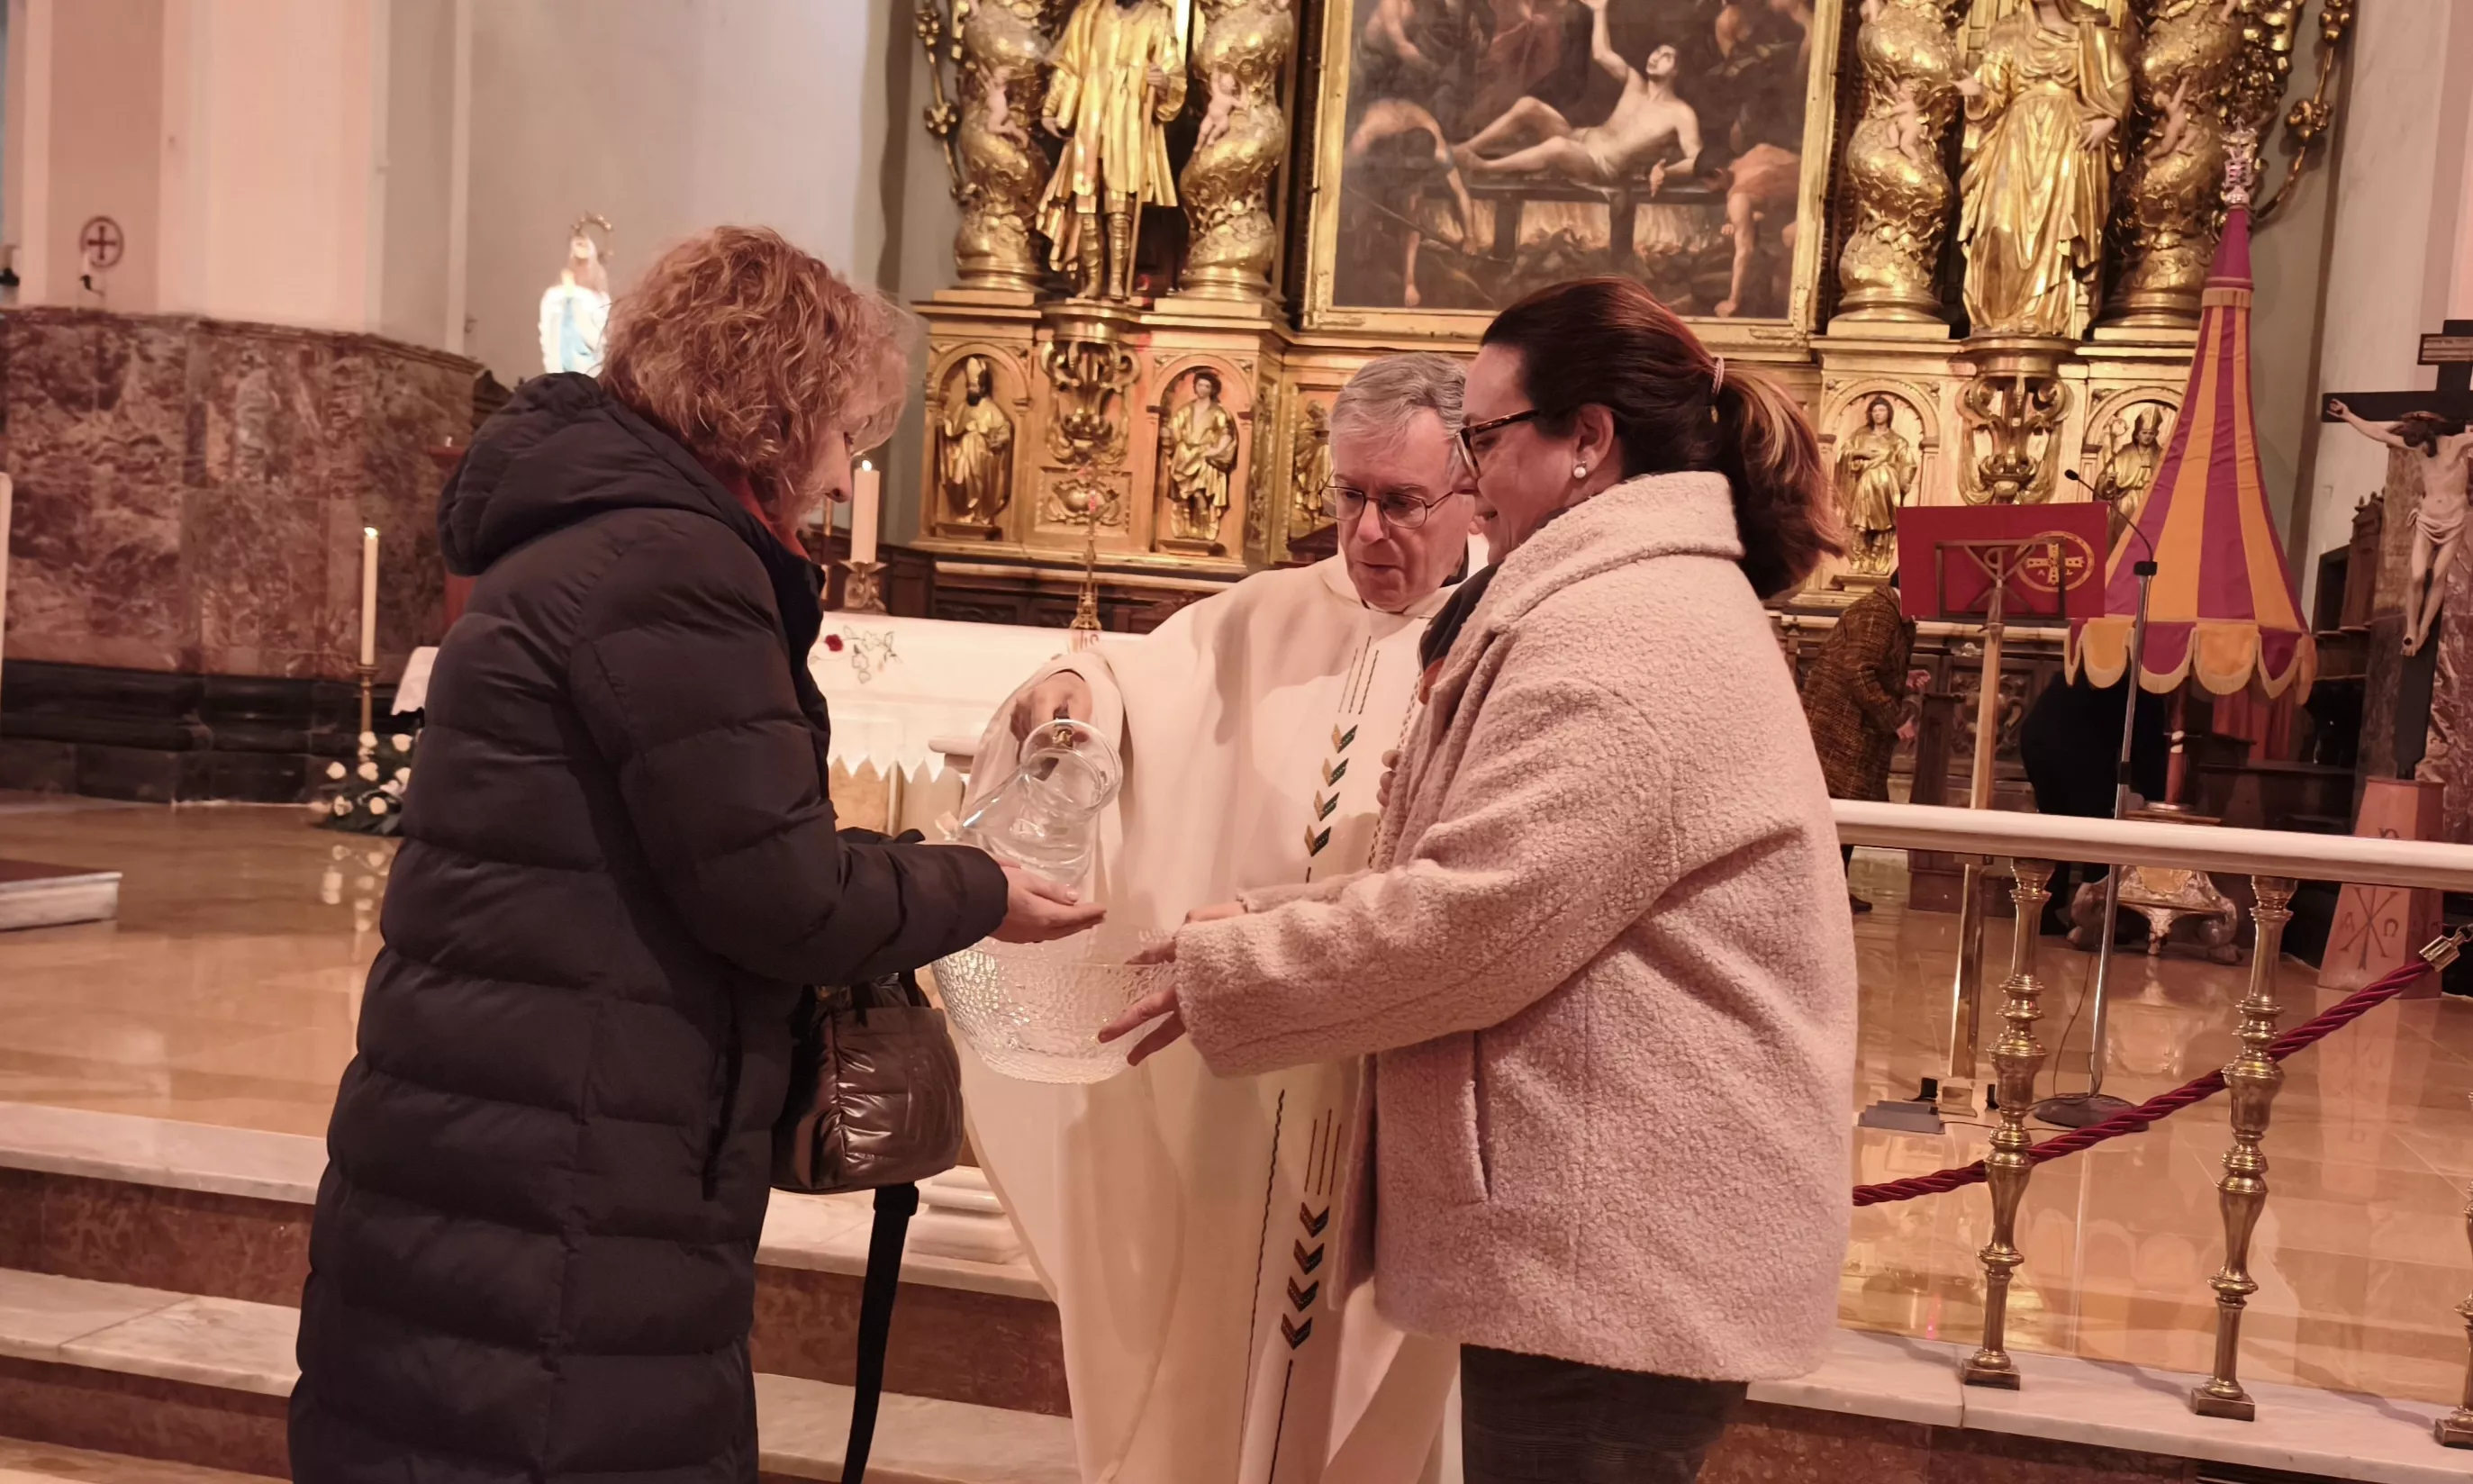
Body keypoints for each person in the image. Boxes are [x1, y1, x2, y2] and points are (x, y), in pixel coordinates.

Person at [289, 227, 1101, 1484]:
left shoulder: (584, 538)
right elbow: (780, 896)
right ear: (775, 408)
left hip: (505, 1124)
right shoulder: (673, 564)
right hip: (572, 1162)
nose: (843, 476)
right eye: (844, 432)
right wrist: (977, 888)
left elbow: (705, 840)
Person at [1104, 277, 1858, 1484]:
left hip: (1614, 1251)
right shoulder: (1619, 600)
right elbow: (1503, 882)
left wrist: (1235, 971)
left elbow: (1482, 923)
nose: (1470, 474)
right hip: (1604, 1238)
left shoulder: (1627, 631)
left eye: (1481, 440)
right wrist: (1269, 916)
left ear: (1586, 444)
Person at [964, 354, 1481, 1484]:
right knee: (1214, 1353)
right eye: (1349, 496)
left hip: (1401, 1072)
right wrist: (1072, 701)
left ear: (1471, 489)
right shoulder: (1260, 617)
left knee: (1374, 1391)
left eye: (1401, 502)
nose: (1367, 532)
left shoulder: (1502, 635)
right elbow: (1133, 693)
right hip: (1232, 1085)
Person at [1455, 0, 1704, 192]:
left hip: (1600, 166)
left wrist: (1666, 172)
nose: (1656, 58)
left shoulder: (1680, 113)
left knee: (1557, 147)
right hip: (1580, 140)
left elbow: (1697, 160)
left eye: (1666, 57)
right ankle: (1466, 149)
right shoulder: (1634, 82)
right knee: (1529, 106)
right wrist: (1600, 10)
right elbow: (1601, 53)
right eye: (1657, 52)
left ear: (1677, 71)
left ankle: (1485, 167)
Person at [1800, 575, 1917, 913]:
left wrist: (1903, 677)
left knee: (1847, 809)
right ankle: (1824, 894)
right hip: (1841, 728)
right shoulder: (1879, 611)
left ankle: (1834, 891)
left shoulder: (1890, 610)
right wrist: (1896, 720)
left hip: (1853, 728)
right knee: (1840, 807)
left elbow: (1870, 662)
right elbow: (1859, 672)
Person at [2326, 398, 2473, 656]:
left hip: (2454, 520)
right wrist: (2348, 416)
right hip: (2428, 518)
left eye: (2422, 446)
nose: (2419, 451)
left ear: (2432, 436)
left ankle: (2424, 628)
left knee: (2439, 575)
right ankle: (2411, 629)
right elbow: (2378, 432)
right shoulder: (2417, 446)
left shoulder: (2457, 444)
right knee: (2417, 575)